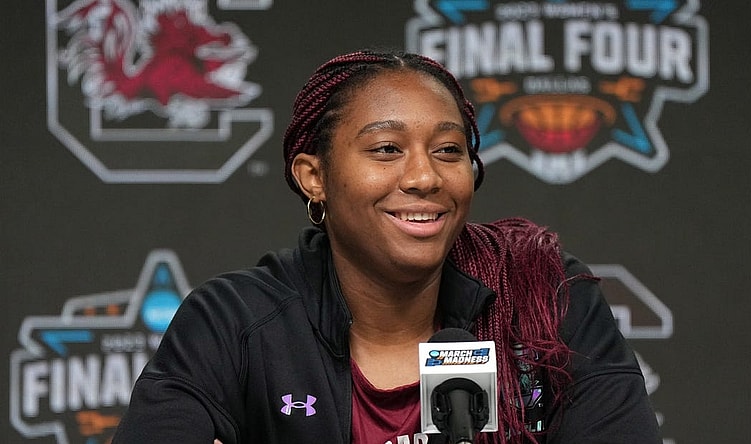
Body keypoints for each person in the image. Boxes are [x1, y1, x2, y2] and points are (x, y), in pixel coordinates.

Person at [113, 49, 661, 443]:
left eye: (448, 150)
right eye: (386, 149)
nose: (424, 176)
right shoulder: (232, 321)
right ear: (313, 176)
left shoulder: (547, 298)